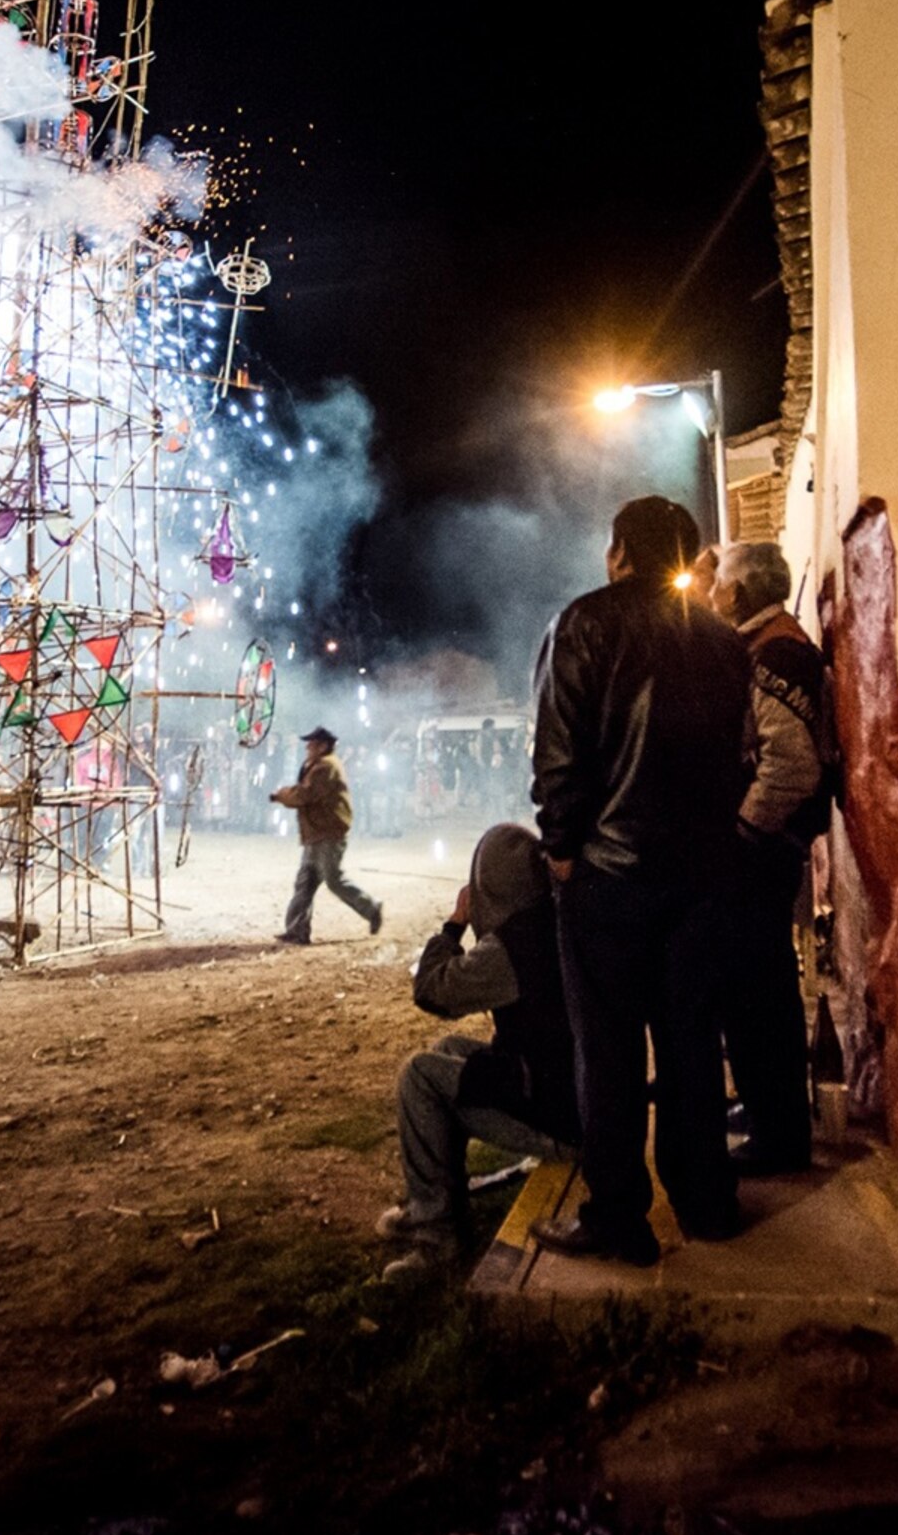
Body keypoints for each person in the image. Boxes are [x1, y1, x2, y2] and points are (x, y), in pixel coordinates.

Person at [528, 494, 751, 1263]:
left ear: (619, 552)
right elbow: (742, 758)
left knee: (610, 1053)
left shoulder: (584, 623)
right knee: (693, 1042)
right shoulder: (723, 641)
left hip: (610, 878)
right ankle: (707, 1201)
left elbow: (559, 755)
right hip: (703, 877)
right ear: (688, 558)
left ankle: (618, 1217)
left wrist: (562, 849)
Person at [379, 823, 581, 1278]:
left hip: (555, 1117)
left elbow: (431, 990)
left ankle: (438, 1237)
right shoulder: (551, 919)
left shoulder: (514, 947)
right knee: (448, 1050)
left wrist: (454, 925)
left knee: (419, 1074)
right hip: (568, 1092)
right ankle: (435, 1201)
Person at [709, 539, 840, 1175]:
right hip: (766, 850)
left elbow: (790, 765)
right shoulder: (767, 647)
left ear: (739, 592)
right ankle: (767, 1110)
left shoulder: (777, 654)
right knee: (754, 992)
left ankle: (779, 1135)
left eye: (719, 584)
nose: (710, 595)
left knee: (757, 995)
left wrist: (742, 829)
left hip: (761, 853)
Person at [270, 726, 379, 943]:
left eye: (312, 743)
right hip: (317, 832)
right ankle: (297, 931)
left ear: (323, 746)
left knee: (333, 880)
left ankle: (371, 908)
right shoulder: (319, 765)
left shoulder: (326, 767)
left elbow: (305, 794)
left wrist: (281, 795)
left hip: (327, 833)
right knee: (305, 882)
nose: (307, 747)